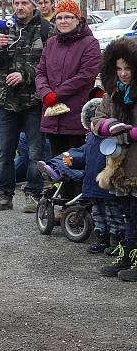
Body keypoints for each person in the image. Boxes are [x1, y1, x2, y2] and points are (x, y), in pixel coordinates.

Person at [0, 0, 53, 214]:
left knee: (35, 151)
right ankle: (3, 196)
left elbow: (51, 65)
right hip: (6, 101)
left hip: (33, 100)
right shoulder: (3, 28)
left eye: (25, 3)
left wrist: (25, 75)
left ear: (34, 5)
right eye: (16, 3)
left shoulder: (46, 30)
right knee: (4, 150)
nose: (20, 7)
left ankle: (33, 195)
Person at [38, 97, 124, 254]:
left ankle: (116, 242)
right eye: (92, 120)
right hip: (91, 186)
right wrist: (72, 161)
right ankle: (102, 239)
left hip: (107, 186)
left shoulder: (112, 140)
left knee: (113, 215)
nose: (94, 124)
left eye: (98, 120)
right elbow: (84, 156)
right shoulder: (90, 139)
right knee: (98, 216)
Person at [92, 38, 137, 281]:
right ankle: (129, 253)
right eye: (119, 69)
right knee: (127, 211)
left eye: (128, 68)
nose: (124, 74)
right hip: (119, 164)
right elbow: (96, 119)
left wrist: (131, 132)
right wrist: (110, 125)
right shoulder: (112, 93)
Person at [36, 0, 102, 157]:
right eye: (59, 17)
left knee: (75, 162)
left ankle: (74, 183)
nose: (63, 21)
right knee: (56, 163)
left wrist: (57, 94)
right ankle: (59, 183)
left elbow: (86, 75)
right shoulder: (51, 43)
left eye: (68, 17)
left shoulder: (90, 43)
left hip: (75, 113)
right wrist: (45, 93)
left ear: (77, 19)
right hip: (52, 114)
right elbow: (40, 72)